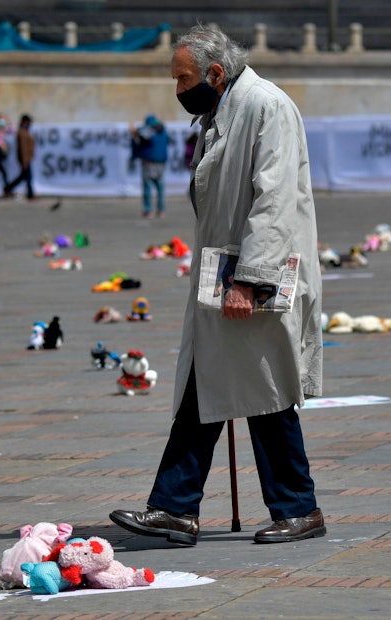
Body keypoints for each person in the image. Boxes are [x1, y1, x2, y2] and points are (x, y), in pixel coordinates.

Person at [109, 24, 325, 546]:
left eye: (183, 78)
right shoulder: (221, 112)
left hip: (257, 274)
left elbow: (275, 201)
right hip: (225, 272)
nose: (178, 89)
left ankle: (297, 507)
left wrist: (250, 281)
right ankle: (175, 507)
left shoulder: (265, 107)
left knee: (264, 388)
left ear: (214, 72)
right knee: (208, 385)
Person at [131, 114, 170, 217]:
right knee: (160, 188)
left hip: (149, 163)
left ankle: (148, 211)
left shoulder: (149, 130)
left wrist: (134, 132)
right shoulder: (164, 131)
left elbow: (141, 135)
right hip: (161, 163)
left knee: (147, 187)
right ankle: (161, 210)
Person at [3, 114, 36, 200]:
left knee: (23, 177)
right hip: (25, 159)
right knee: (28, 177)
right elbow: (23, 148)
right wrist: (25, 161)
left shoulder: (25, 131)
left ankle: (8, 188)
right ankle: (30, 194)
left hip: (26, 159)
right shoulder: (22, 132)